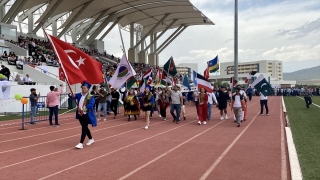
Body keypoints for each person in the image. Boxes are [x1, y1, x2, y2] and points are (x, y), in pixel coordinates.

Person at [73, 83, 97, 149]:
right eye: (82, 88)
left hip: (86, 114)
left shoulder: (90, 96)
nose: (83, 89)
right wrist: (70, 95)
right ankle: (91, 139)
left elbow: (91, 104)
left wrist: (84, 108)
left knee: (84, 128)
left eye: (85, 88)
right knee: (85, 127)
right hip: (80, 114)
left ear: (88, 89)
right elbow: (72, 97)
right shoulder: (79, 95)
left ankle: (81, 143)